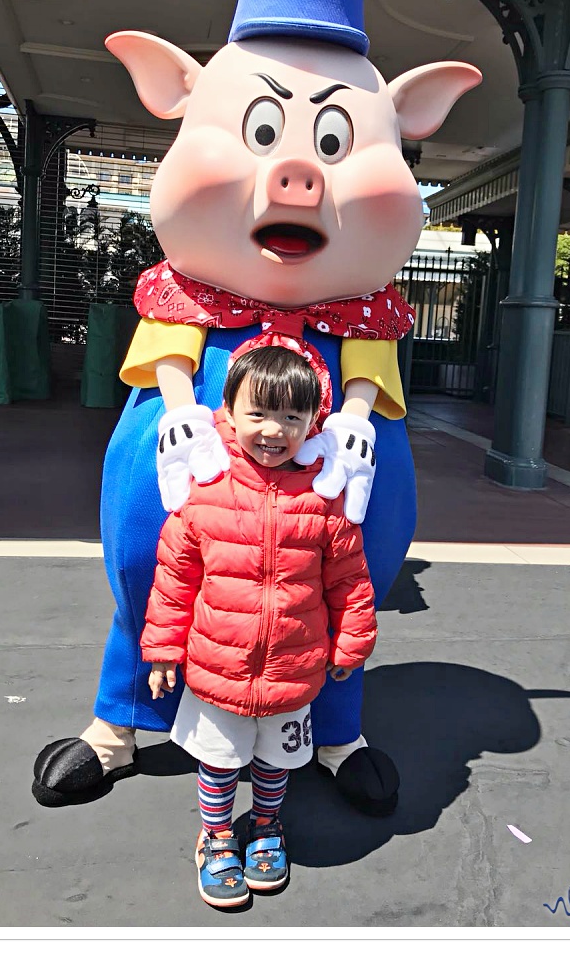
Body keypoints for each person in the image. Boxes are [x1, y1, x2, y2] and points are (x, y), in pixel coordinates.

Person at [140, 345, 377, 908]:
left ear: (313, 423)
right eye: (259, 414)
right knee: (218, 762)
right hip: (217, 668)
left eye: (293, 417)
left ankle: (267, 826)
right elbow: (175, 579)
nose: (275, 430)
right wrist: (162, 650)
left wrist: (352, 641)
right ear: (227, 410)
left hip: (294, 669)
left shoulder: (325, 500)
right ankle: (217, 836)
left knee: (278, 760)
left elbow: (349, 579)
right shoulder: (205, 494)